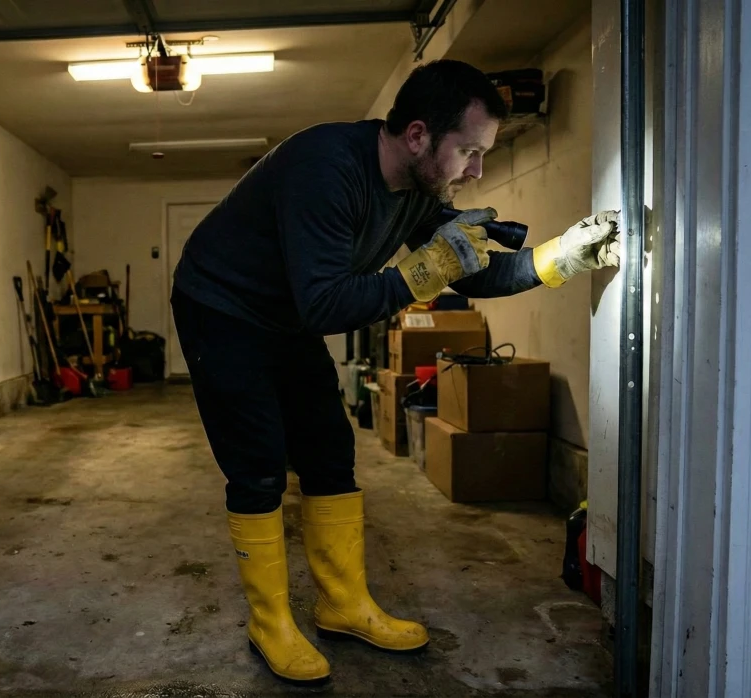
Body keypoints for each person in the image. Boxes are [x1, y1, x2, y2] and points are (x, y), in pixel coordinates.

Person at [169, 59, 620, 684]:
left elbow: (470, 268)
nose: (477, 170)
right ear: (416, 136)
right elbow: (328, 305)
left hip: (288, 314)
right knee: (260, 464)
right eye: (469, 151)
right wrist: (419, 274)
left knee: (328, 449)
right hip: (221, 306)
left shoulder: (418, 190)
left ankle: (342, 605)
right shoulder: (325, 169)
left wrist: (561, 256)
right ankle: (269, 621)